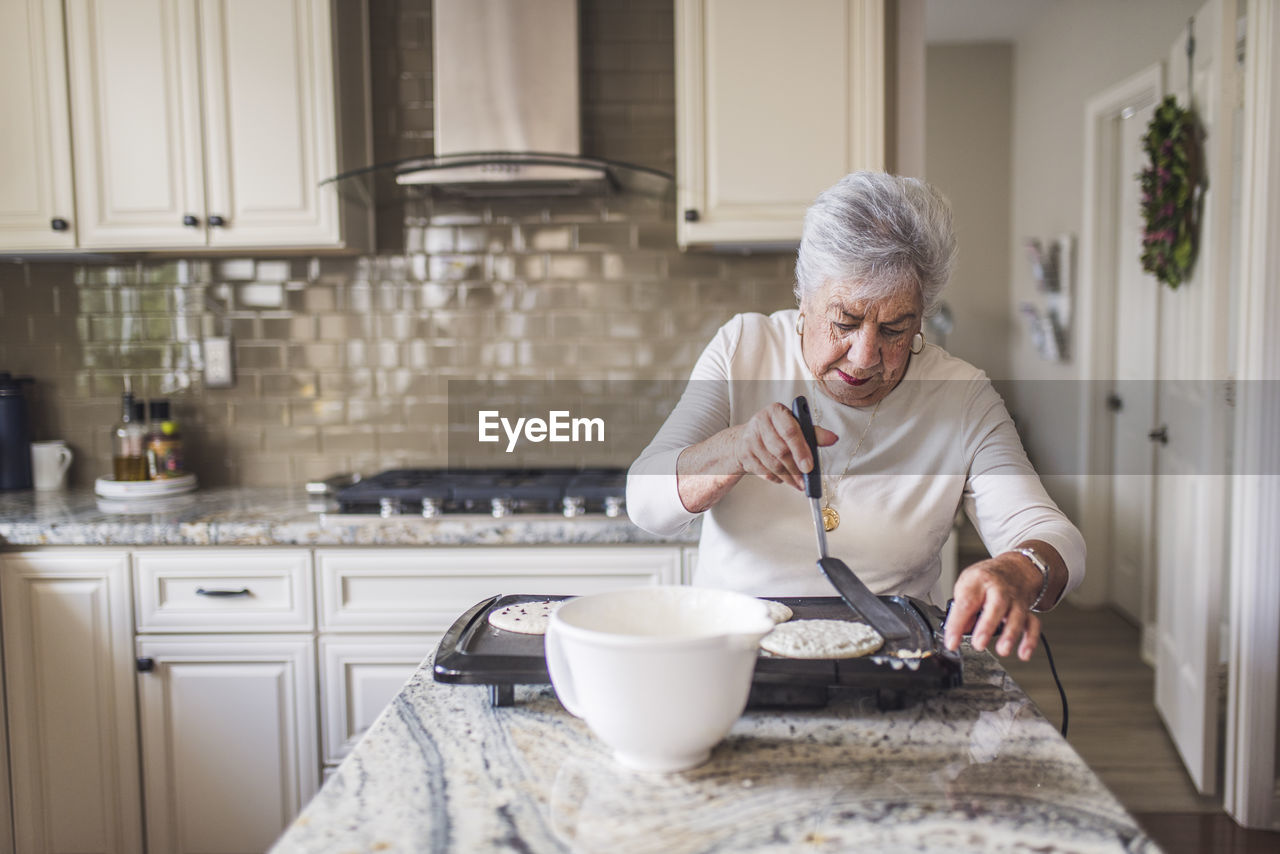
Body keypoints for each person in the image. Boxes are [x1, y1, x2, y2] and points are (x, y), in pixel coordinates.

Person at [627, 171, 1083, 661]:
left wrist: (1016, 568)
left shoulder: (962, 396)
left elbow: (1057, 538)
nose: (865, 356)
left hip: (891, 662)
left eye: (895, 328)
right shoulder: (744, 348)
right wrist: (734, 449)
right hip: (735, 656)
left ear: (921, 316)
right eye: (844, 321)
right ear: (804, 296)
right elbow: (646, 503)